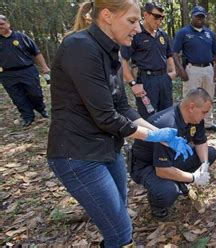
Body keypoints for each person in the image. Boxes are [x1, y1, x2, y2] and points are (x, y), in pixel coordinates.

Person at [46, 1, 192, 247]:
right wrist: (154, 137)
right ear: (107, 16)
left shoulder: (111, 50)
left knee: (119, 213)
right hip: (78, 154)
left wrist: (161, 133)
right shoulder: (80, 47)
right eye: (132, 21)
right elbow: (106, 117)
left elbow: (122, 107)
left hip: (107, 147)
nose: (137, 29)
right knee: (121, 232)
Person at [130, 88, 216, 219]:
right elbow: (162, 170)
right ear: (192, 107)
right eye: (204, 112)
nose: (205, 116)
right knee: (168, 191)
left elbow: (201, 142)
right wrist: (193, 177)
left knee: (210, 153)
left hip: (169, 159)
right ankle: (158, 207)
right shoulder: (168, 125)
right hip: (146, 166)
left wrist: (204, 164)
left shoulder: (195, 118)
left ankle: (178, 180)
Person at [121, 2, 176, 119]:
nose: (159, 21)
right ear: (145, 15)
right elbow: (124, 60)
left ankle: (164, 138)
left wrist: (172, 73)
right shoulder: (135, 34)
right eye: (156, 17)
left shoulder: (163, 35)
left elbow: (169, 55)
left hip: (164, 80)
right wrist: (133, 84)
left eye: (161, 18)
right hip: (146, 81)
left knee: (167, 116)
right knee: (148, 119)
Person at [172, 5, 216, 132]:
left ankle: (208, 123)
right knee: (190, 96)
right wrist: (180, 70)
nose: (200, 19)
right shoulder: (183, 32)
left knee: (208, 96)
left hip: (208, 69)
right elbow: (174, 53)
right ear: (192, 16)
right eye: (197, 16)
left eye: (202, 17)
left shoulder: (209, 34)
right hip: (192, 68)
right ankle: (186, 122)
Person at [0, 14, 50, 127]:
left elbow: (36, 52)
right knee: (17, 97)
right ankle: (27, 116)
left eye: (2, 24)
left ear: (8, 24)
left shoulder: (21, 37)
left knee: (35, 93)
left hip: (27, 70)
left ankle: (41, 109)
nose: (0, 27)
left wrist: (44, 67)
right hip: (7, 74)